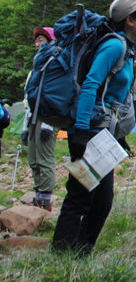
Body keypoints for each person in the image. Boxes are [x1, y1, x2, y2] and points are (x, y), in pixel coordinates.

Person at [53, 0, 136, 255]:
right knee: (81, 196)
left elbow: (111, 96)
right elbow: (90, 85)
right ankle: (61, 255)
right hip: (89, 130)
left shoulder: (126, 47)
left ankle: (80, 252)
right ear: (130, 19)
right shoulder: (114, 46)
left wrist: (119, 137)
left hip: (102, 132)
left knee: (101, 201)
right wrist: (78, 132)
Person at [23, 27, 58, 210]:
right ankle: (38, 195)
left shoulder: (53, 64)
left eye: (42, 41)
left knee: (45, 160)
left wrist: (48, 125)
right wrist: (25, 126)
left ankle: (45, 200)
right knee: (34, 160)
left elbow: (52, 96)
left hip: (47, 120)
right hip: (33, 118)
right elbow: (28, 99)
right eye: (36, 41)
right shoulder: (37, 66)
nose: (37, 44)